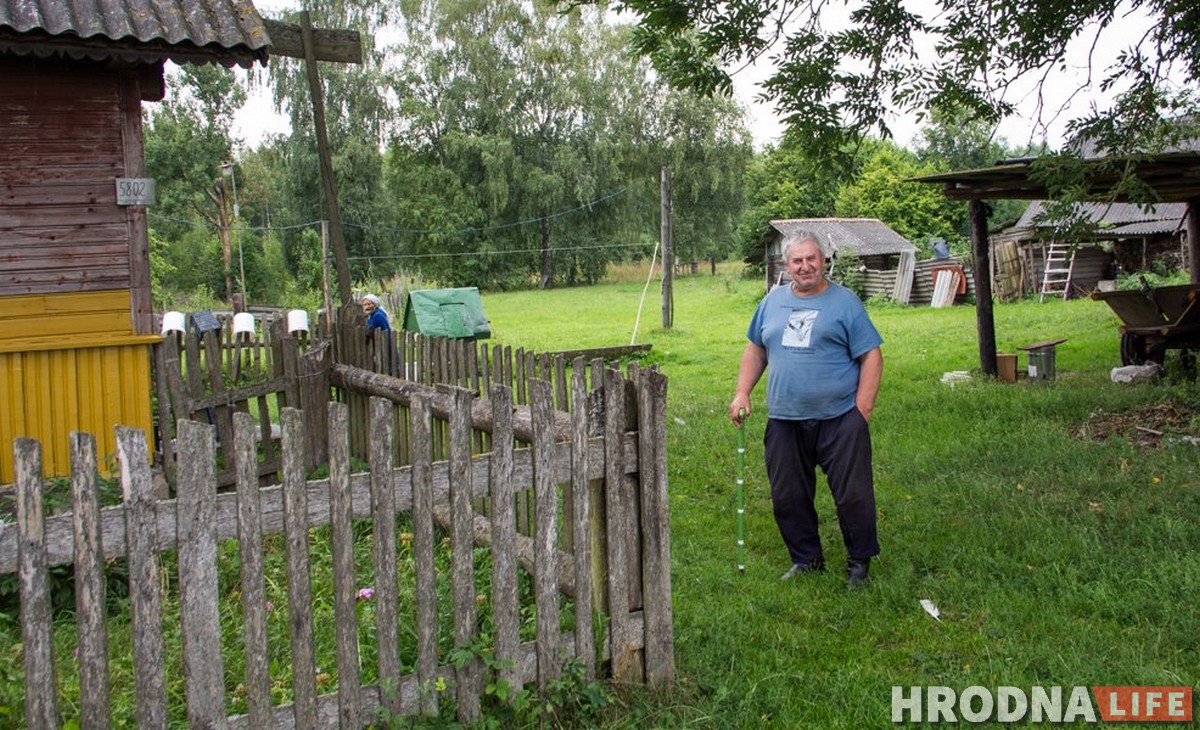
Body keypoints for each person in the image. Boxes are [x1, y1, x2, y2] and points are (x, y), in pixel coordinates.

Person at [729, 232, 884, 588]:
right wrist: (742, 393)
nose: (805, 266)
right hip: (784, 418)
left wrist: (862, 410)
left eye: (811, 258)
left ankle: (859, 563)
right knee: (788, 494)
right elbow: (756, 349)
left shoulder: (845, 303)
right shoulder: (771, 302)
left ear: (824, 260)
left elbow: (871, 355)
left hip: (840, 417)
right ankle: (806, 559)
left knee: (852, 494)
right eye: (797, 261)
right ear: (787, 266)